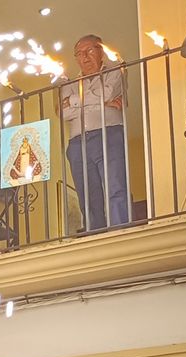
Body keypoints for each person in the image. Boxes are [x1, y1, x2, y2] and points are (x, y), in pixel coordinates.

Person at [61, 34, 130, 232]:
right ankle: (95, 234)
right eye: (78, 54)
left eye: (89, 50)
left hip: (108, 134)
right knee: (88, 195)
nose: (84, 57)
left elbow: (107, 92)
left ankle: (121, 231)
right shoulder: (69, 83)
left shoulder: (116, 70)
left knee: (116, 186)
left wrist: (75, 101)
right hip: (76, 143)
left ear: (101, 51)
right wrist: (102, 103)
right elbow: (63, 112)